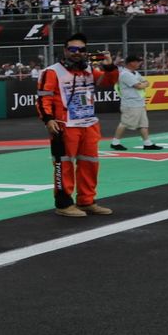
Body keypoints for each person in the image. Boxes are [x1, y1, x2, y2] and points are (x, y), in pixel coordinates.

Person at [37, 34, 119, 218]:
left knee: (90, 164)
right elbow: (43, 98)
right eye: (73, 49)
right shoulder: (52, 72)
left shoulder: (89, 70)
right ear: (65, 50)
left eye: (81, 49)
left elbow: (108, 81)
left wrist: (109, 66)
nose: (77, 53)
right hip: (64, 126)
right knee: (63, 165)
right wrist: (48, 119)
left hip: (89, 125)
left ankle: (87, 201)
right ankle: (64, 204)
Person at [109, 53, 161, 151]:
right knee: (125, 123)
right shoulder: (125, 74)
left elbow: (146, 82)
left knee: (143, 124)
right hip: (130, 104)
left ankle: (147, 143)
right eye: (137, 62)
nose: (139, 63)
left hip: (139, 102)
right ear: (131, 63)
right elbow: (139, 86)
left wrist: (142, 84)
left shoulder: (135, 73)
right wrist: (143, 84)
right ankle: (115, 143)